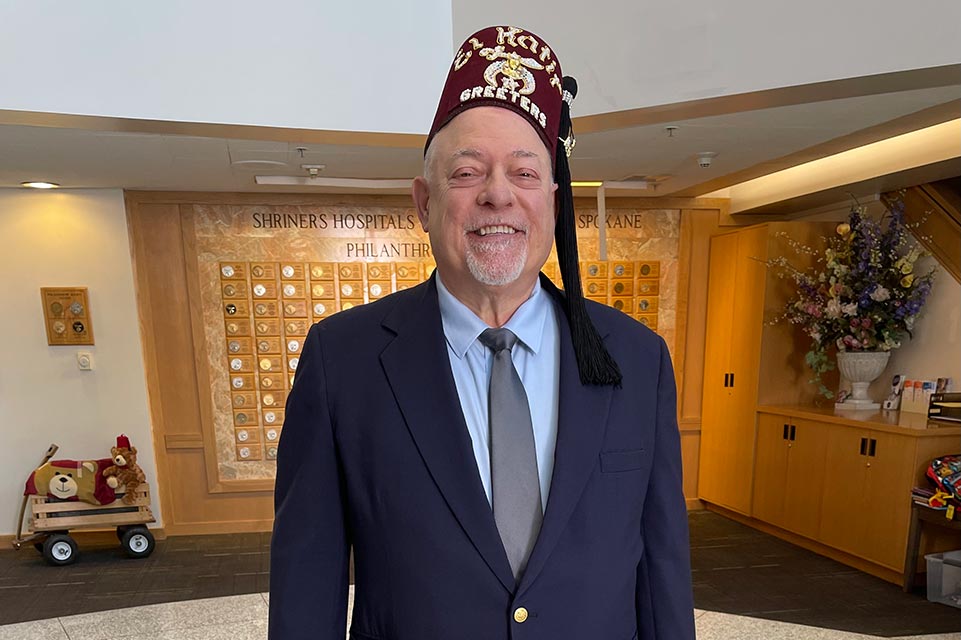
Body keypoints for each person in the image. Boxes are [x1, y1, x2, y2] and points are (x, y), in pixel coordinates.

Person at [269, 25, 695, 640]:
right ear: (424, 202)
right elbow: (306, 583)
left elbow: (661, 573)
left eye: (524, 174)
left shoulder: (634, 358)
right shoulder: (345, 362)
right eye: (468, 173)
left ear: (553, 199)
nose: (498, 195)